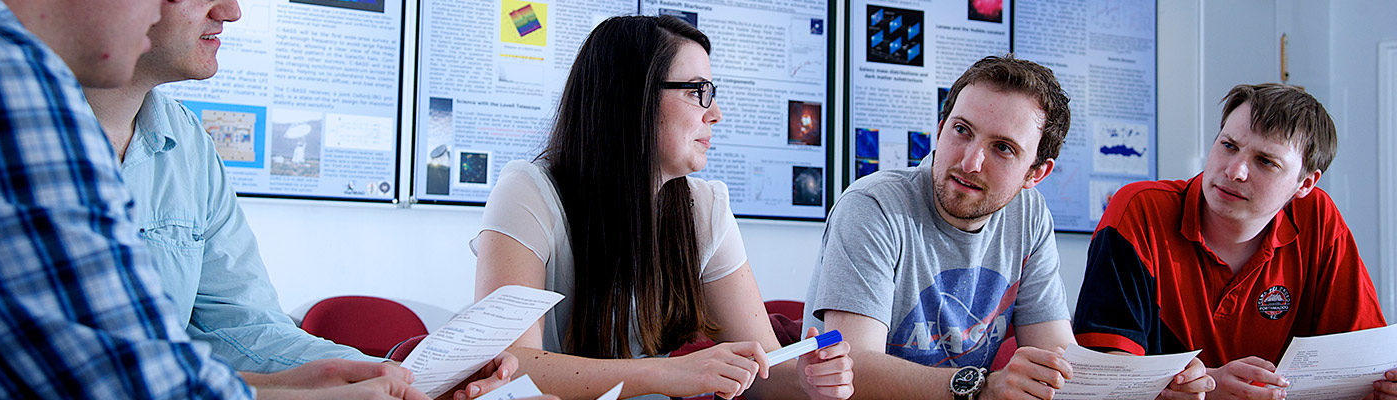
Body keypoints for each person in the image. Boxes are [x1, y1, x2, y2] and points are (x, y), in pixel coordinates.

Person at [74, 1, 541, 399]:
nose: (232, 12)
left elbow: (242, 327)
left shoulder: (188, 142)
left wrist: (403, 377)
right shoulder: (27, 125)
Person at [473, 15, 853, 400]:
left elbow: (766, 372)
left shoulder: (705, 208)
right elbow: (509, 364)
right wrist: (669, 372)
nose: (715, 113)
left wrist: (808, 381)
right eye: (696, 92)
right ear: (630, 97)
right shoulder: (528, 192)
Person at [802, 54, 1209, 400]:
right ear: (941, 129)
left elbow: (1056, 358)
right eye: (962, 131)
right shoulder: (874, 205)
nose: (970, 162)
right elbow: (852, 368)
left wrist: (1152, 388)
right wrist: (982, 387)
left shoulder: (1028, 215)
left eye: (1003, 148)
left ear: (1037, 172)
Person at [1073, 83, 1397, 400]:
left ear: (1305, 183)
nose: (1235, 171)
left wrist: (1384, 384)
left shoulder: (1318, 217)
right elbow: (1105, 377)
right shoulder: (1140, 209)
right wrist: (1208, 385)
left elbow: (1363, 365)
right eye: (1229, 145)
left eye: (1265, 161)